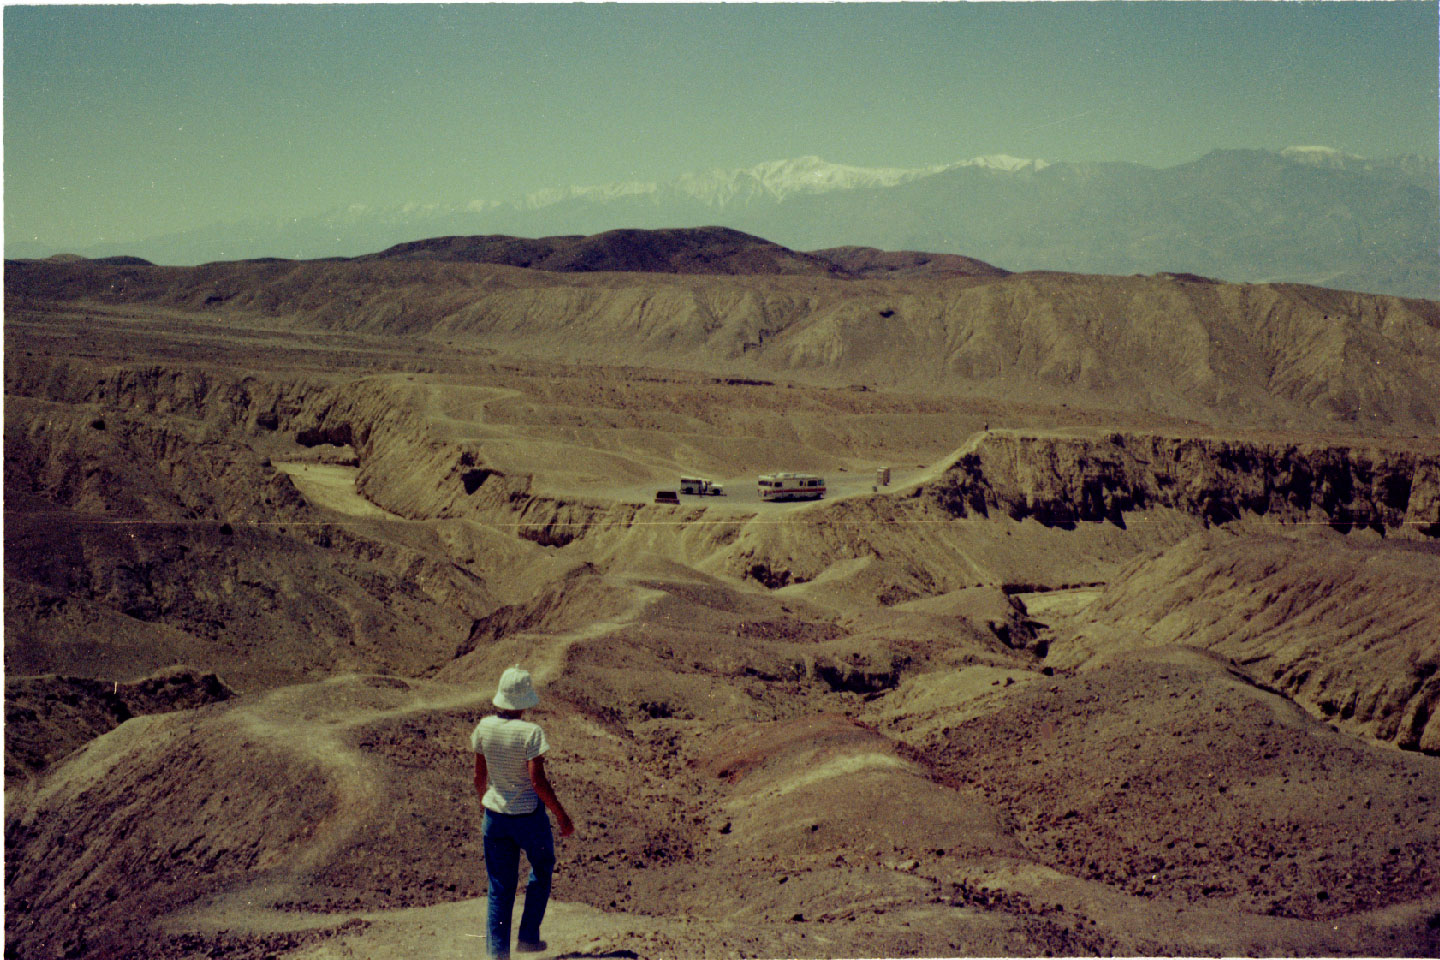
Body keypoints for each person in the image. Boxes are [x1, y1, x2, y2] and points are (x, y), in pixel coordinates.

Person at [471, 667, 575, 959]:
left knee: (499, 889)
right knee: (542, 866)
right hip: (529, 817)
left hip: (495, 817)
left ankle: (497, 956)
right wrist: (561, 815)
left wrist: (485, 802)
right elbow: (537, 782)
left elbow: (479, 777)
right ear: (524, 702)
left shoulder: (483, 727)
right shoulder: (531, 733)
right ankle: (529, 935)